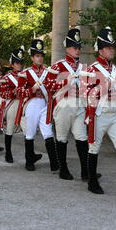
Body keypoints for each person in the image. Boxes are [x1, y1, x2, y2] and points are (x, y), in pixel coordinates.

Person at [84, 27, 116, 194]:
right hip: (99, 114)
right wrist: (103, 86)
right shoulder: (91, 69)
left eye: (113, 48)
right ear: (100, 50)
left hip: (115, 114)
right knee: (94, 148)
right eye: (108, 48)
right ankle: (92, 182)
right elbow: (86, 94)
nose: (112, 50)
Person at [44, 28, 96, 181]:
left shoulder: (83, 67)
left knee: (81, 137)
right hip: (64, 105)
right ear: (67, 48)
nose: (78, 50)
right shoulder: (58, 66)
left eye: (79, 47)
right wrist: (66, 80)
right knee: (62, 138)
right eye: (75, 47)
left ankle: (85, 171)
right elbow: (48, 85)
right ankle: (63, 169)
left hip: (79, 104)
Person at [17, 40, 59, 172]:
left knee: (48, 133)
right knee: (30, 133)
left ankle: (54, 163)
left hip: (45, 104)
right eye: (37, 56)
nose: (40, 58)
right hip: (32, 104)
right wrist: (31, 90)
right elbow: (19, 91)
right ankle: (29, 161)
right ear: (32, 57)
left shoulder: (48, 71)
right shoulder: (26, 73)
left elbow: (53, 87)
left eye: (41, 55)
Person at [0, 46, 25, 163]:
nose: (19, 65)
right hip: (14, 103)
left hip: (25, 103)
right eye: (17, 63)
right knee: (9, 129)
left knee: (28, 130)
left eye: (20, 62)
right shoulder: (7, 78)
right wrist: (12, 92)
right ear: (12, 64)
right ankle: (8, 153)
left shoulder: (27, 76)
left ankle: (29, 155)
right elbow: (3, 94)